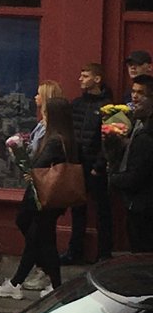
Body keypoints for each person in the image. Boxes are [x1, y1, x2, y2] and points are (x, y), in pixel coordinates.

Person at [0, 86, 76, 299]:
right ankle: (54, 285)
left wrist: (20, 153)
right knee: (42, 239)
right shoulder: (67, 136)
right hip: (54, 196)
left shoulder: (55, 139)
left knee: (37, 238)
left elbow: (37, 164)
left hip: (43, 195)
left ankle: (16, 283)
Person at [64, 62, 114, 264]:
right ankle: (74, 251)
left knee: (102, 211)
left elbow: (109, 141)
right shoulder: (76, 104)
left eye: (85, 76)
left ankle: (103, 254)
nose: (80, 79)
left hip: (96, 167)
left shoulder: (108, 107)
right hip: (78, 165)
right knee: (77, 209)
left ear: (97, 79)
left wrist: (98, 166)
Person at [106, 74, 153, 253]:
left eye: (141, 93)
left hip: (143, 207)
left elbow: (137, 175)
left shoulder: (147, 136)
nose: (134, 97)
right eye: (133, 92)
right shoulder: (135, 123)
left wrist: (113, 177)